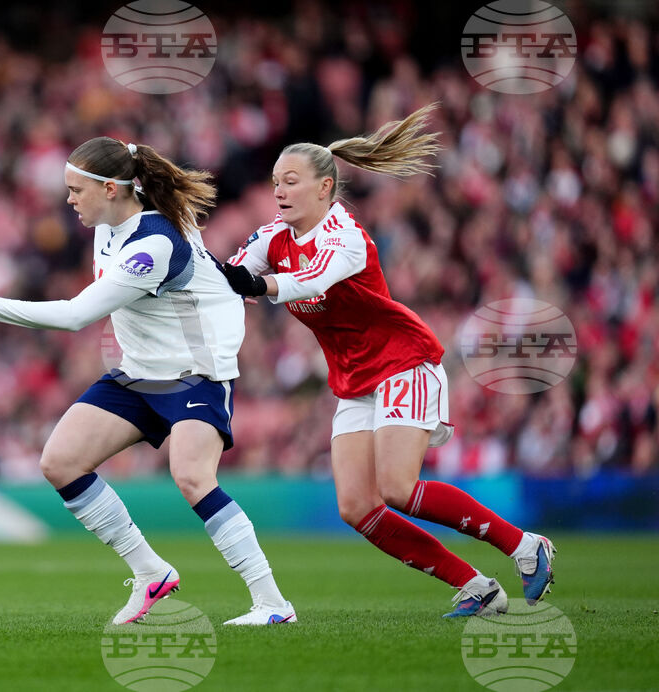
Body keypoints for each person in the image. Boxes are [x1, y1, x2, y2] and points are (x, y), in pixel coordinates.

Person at [0, 137, 296, 625]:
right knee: (60, 462)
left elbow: (76, 315)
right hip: (140, 373)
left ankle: (273, 605)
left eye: (76, 189)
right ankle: (150, 573)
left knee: (191, 477)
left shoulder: (154, 245)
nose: (68, 199)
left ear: (110, 189)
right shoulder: (109, 221)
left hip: (195, 376)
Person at [221, 103, 555, 618]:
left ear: (325, 188)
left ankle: (525, 546)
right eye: (274, 183)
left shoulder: (345, 237)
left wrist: (256, 285)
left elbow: (308, 282)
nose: (279, 192)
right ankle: (476, 587)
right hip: (354, 380)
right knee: (356, 506)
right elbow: (231, 276)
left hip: (404, 362)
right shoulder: (274, 237)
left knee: (397, 487)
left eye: (290, 182)